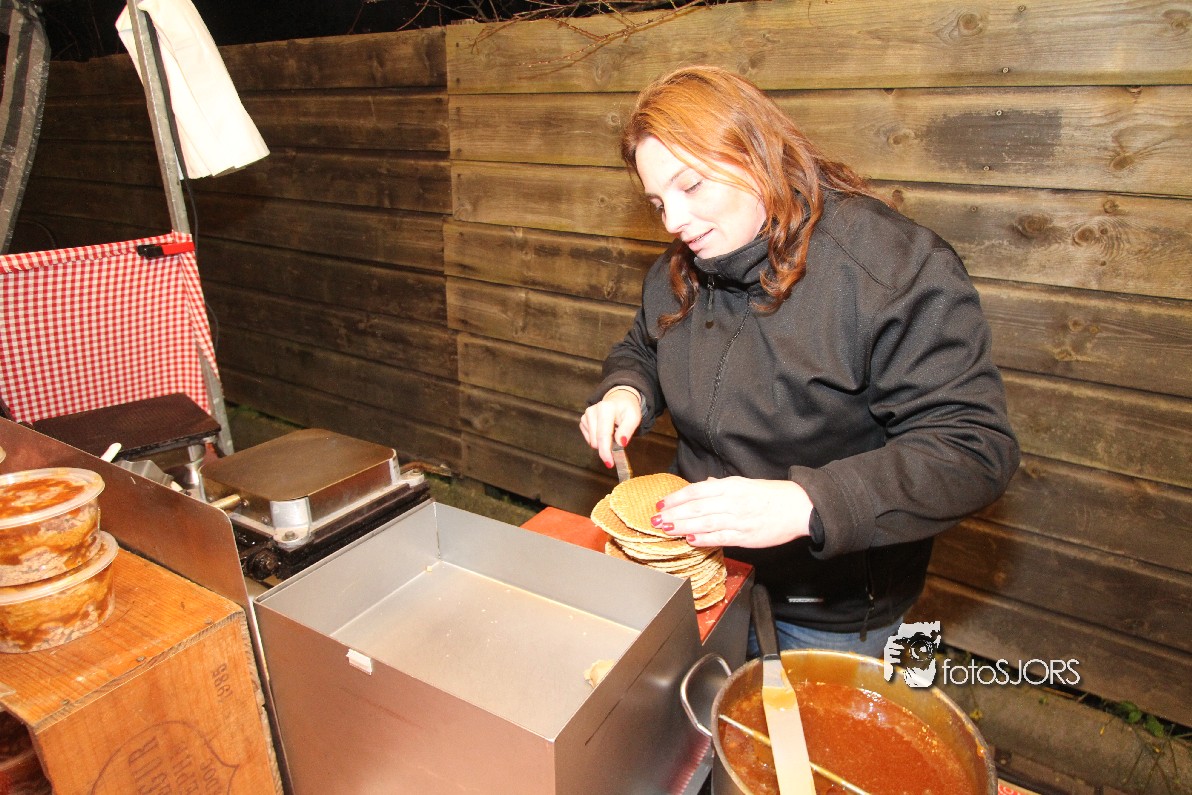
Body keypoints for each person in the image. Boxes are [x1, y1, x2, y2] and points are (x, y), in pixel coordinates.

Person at [579, 66, 1019, 657]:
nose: (674, 223)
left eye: (692, 186)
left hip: (829, 607)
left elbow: (972, 449)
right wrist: (627, 391)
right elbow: (644, 344)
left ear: (755, 153)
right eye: (659, 202)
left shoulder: (890, 269)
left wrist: (805, 503)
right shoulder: (684, 263)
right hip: (708, 571)